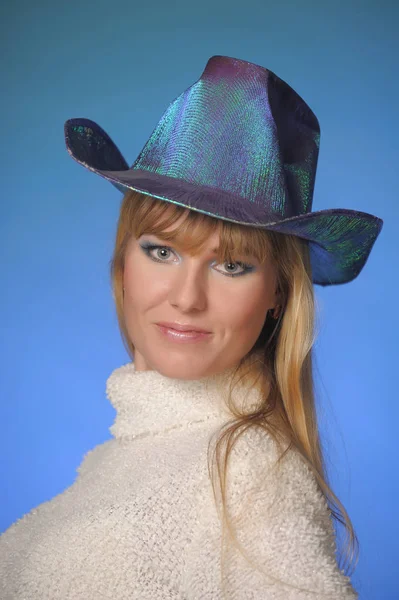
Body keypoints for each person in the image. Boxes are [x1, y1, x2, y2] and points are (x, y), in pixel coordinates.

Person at [0, 54, 383, 599]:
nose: (186, 298)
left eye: (232, 265)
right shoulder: (128, 451)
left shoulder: (252, 474)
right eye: (161, 251)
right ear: (123, 262)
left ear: (278, 292)